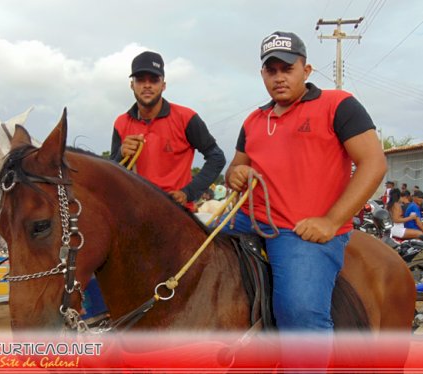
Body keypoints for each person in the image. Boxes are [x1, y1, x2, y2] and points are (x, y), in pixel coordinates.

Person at [223, 31, 387, 367]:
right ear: (263, 74)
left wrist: (331, 221)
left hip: (300, 231)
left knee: (299, 312)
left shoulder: (338, 104)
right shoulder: (254, 120)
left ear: (306, 70)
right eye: (272, 70)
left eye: (288, 68)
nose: (279, 77)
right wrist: (236, 175)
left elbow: (374, 162)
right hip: (247, 220)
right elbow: (235, 169)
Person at [110, 51, 226, 209]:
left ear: (163, 85)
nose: (147, 85)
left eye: (154, 80)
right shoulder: (121, 123)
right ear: (132, 85)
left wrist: (187, 193)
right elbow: (110, 173)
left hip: (176, 213)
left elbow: (217, 158)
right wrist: (120, 153)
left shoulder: (186, 117)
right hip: (135, 213)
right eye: (140, 80)